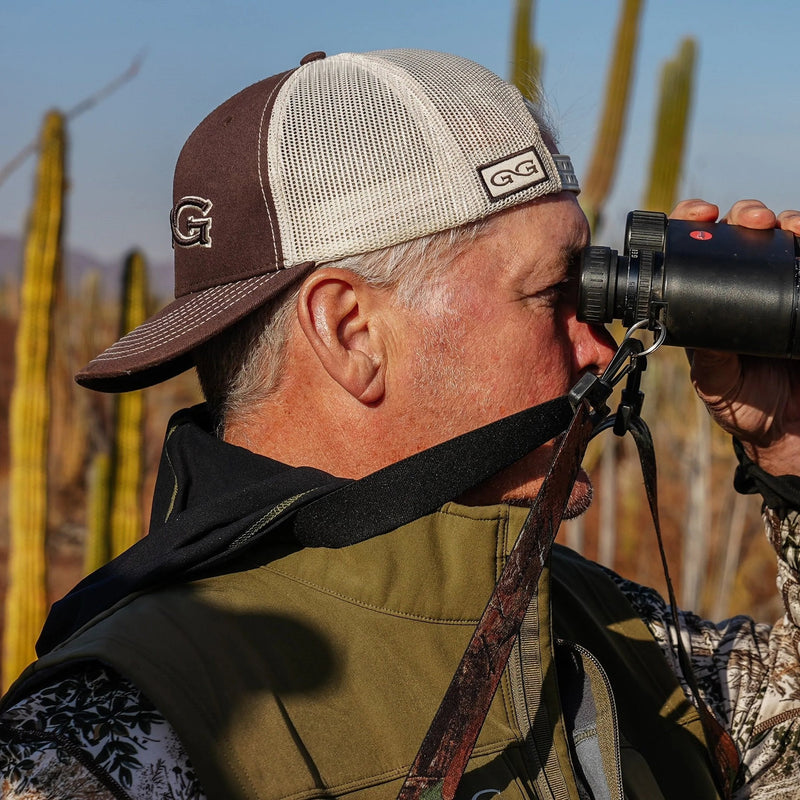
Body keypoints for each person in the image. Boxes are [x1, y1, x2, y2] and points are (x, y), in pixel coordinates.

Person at [1, 48, 800, 800]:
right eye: (552, 293)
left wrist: (791, 446)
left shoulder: (602, 626)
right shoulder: (111, 744)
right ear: (353, 332)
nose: (596, 342)